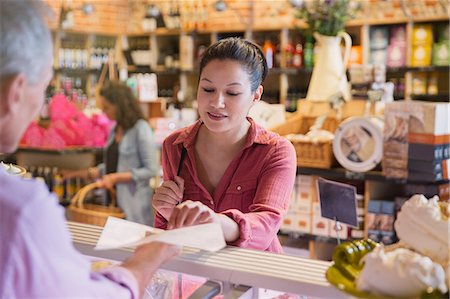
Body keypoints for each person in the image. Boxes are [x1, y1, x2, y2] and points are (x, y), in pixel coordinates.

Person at [0, 1, 178, 298]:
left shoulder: (138, 129)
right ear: (16, 92)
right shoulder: (21, 210)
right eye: (43, 88)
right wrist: (148, 258)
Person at [153, 37, 297, 253]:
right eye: (208, 89)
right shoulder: (175, 146)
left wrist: (216, 222)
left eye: (232, 93)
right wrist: (166, 212)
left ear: (256, 95)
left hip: (255, 278)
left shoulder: (276, 152)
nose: (216, 103)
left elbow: (266, 226)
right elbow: (170, 232)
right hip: (195, 277)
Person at [63, 80, 158, 226]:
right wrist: (77, 174)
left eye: (107, 108)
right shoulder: (114, 130)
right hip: (113, 205)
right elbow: (110, 167)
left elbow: (151, 169)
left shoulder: (141, 129)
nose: (104, 113)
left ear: (120, 105)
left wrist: (115, 178)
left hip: (134, 208)